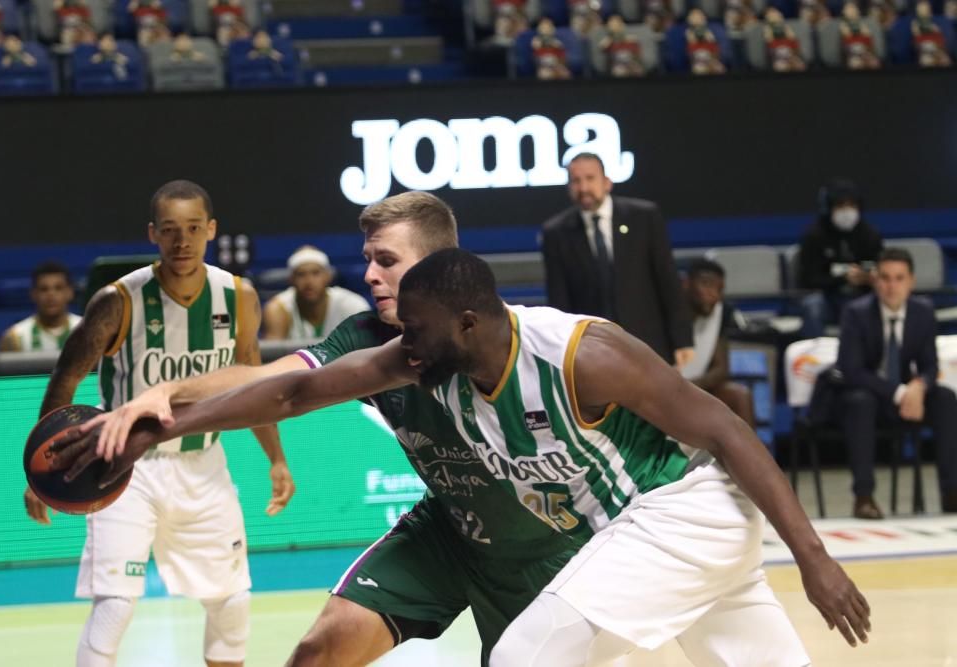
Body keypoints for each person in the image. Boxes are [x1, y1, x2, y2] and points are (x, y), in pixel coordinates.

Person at [56, 249, 871, 667]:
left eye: (417, 326)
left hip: (676, 515)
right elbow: (293, 393)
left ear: (472, 321)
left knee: (522, 654)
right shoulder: (420, 357)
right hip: (660, 537)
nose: (402, 341)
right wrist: (162, 426)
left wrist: (815, 557)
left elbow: (728, 431)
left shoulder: (584, 351)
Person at [53, 191, 579, 666]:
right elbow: (273, 382)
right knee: (318, 651)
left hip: (540, 538)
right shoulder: (365, 336)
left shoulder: (519, 338)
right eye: (368, 259)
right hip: (449, 528)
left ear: (438, 268)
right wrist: (168, 393)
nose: (370, 274)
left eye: (387, 261)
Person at [23, 180, 294, 667]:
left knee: (232, 600)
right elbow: (66, 379)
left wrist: (275, 458)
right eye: (170, 230)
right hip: (125, 467)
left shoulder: (238, 297)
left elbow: (253, 384)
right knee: (115, 606)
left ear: (211, 230)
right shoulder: (118, 301)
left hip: (204, 464)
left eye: (193, 229)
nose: (182, 241)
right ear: (153, 234)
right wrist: (40, 470)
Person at [836, 247, 957, 519]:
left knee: (945, 398)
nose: (892, 286)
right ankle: (864, 497)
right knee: (860, 402)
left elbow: (930, 365)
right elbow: (851, 370)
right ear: (875, 280)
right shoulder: (856, 313)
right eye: (886, 278)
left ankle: (952, 492)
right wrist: (900, 391)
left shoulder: (923, 312)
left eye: (899, 278)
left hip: (905, 398)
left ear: (911, 281)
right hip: (867, 395)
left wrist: (920, 386)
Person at [541, 153, 694, 367]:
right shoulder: (556, 233)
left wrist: (682, 339)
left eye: (590, 178)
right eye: (576, 181)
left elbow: (667, 279)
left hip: (649, 343)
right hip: (593, 351)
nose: (583, 188)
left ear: (607, 182)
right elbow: (560, 300)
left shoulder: (644, 217)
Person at [798, 179, 883, 338]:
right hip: (828, 297)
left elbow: (880, 268)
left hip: (861, 295)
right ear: (829, 208)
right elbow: (808, 279)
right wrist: (843, 278)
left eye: (851, 206)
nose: (847, 211)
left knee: (883, 302)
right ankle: (817, 357)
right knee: (812, 306)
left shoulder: (870, 235)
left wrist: (869, 278)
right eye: (841, 206)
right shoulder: (815, 236)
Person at [680, 258, 754, 427]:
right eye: (706, 284)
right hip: (661, 390)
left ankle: (751, 453)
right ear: (686, 284)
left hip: (695, 387)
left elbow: (721, 369)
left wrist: (692, 387)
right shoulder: (666, 311)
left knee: (739, 395)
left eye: (719, 289)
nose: (714, 293)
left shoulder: (721, 312)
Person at [261, 245, 369, 342]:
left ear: (328, 276)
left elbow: (367, 353)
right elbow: (271, 360)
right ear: (291, 280)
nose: (309, 282)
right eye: (301, 274)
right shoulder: (279, 308)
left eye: (316, 273)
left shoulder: (352, 305)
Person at [0, 261, 82, 352]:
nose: (51, 295)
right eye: (44, 289)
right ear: (33, 294)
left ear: (70, 292)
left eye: (58, 288)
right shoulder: (15, 337)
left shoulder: (87, 331)